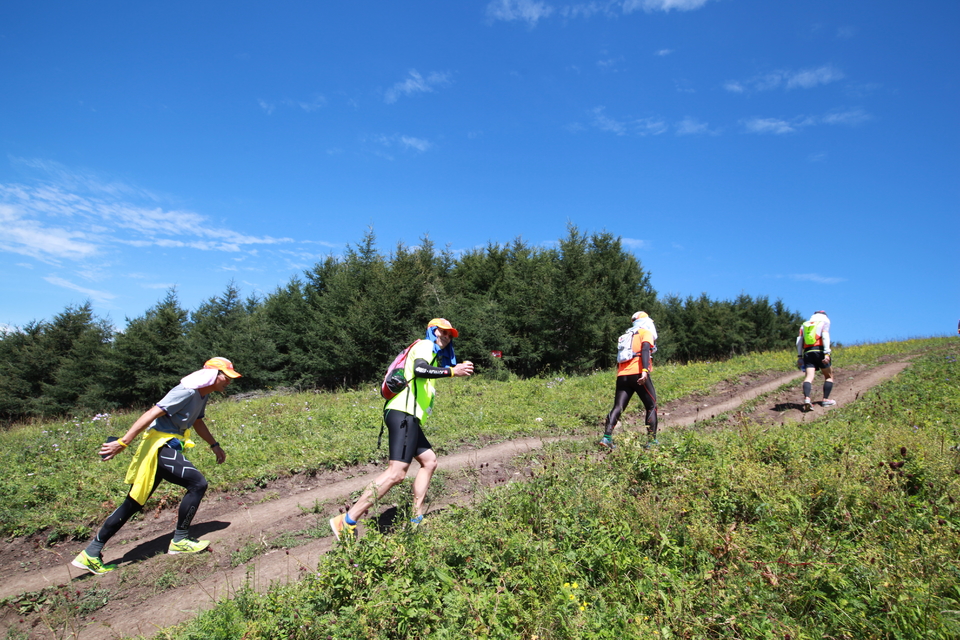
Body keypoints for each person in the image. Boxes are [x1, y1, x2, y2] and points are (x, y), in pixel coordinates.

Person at [71, 357, 240, 575]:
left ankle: (91, 553)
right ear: (213, 375)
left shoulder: (202, 394)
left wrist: (214, 445)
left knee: (133, 503)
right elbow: (152, 412)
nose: (229, 382)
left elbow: (197, 421)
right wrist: (123, 442)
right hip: (159, 447)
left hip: (168, 447)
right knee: (198, 483)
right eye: (226, 377)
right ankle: (180, 540)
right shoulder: (186, 391)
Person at [329, 318, 473, 540]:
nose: (447, 337)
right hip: (403, 413)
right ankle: (347, 520)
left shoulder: (432, 352)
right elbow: (420, 369)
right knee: (396, 473)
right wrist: (453, 372)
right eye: (443, 332)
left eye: (450, 334)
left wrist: (448, 369)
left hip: (408, 415)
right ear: (433, 332)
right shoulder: (424, 346)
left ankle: (415, 518)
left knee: (429, 461)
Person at [600, 311, 658, 450]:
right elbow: (645, 350)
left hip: (622, 375)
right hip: (638, 373)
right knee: (651, 406)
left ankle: (606, 437)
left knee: (618, 407)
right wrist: (644, 371)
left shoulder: (626, 335)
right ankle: (651, 442)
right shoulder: (645, 333)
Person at [797, 311, 835, 411]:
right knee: (829, 376)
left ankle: (807, 399)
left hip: (808, 352)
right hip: (820, 351)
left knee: (809, 377)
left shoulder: (805, 325)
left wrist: (800, 356)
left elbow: (799, 341)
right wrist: (827, 353)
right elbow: (825, 337)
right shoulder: (824, 323)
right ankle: (825, 400)